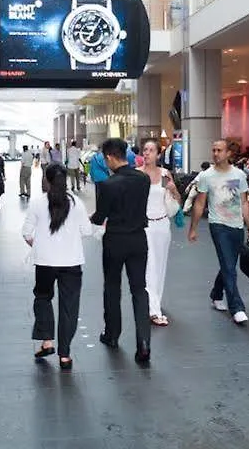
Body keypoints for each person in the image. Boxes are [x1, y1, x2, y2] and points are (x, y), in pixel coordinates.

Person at [22, 163, 94, 370]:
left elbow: (26, 232)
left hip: (45, 262)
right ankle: (65, 354)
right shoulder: (77, 203)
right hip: (71, 262)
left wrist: (39, 245)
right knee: (69, 306)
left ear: (46, 179)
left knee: (43, 298)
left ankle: (47, 341)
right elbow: (87, 231)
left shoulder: (38, 203)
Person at [90, 138, 152, 365]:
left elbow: (100, 217)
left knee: (112, 287)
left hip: (115, 240)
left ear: (108, 157)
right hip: (138, 239)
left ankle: (112, 334)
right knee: (139, 290)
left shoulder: (108, 184)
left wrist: (91, 218)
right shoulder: (143, 179)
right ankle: (143, 342)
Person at [188, 139, 249, 326]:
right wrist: (193, 228)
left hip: (237, 226)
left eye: (219, 150)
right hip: (218, 225)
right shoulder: (206, 176)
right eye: (214, 150)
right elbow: (200, 203)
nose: (215, 153)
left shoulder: (239, 175)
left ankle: (216, 293)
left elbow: (243, 202)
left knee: (229, 264)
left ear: (228, 154)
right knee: (229, 266)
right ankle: (237, 307)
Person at [137, 137, 180, 327]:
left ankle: (155, 301)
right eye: (145, 150)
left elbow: (176, 201)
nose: (147, 153)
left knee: (160, 267)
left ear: (158, 154)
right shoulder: (137, 175)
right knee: (149, 267)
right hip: (144, 226)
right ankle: (153, 310)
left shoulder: (164, 174)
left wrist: (174, 189)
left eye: (151, 150)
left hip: (162, 225)